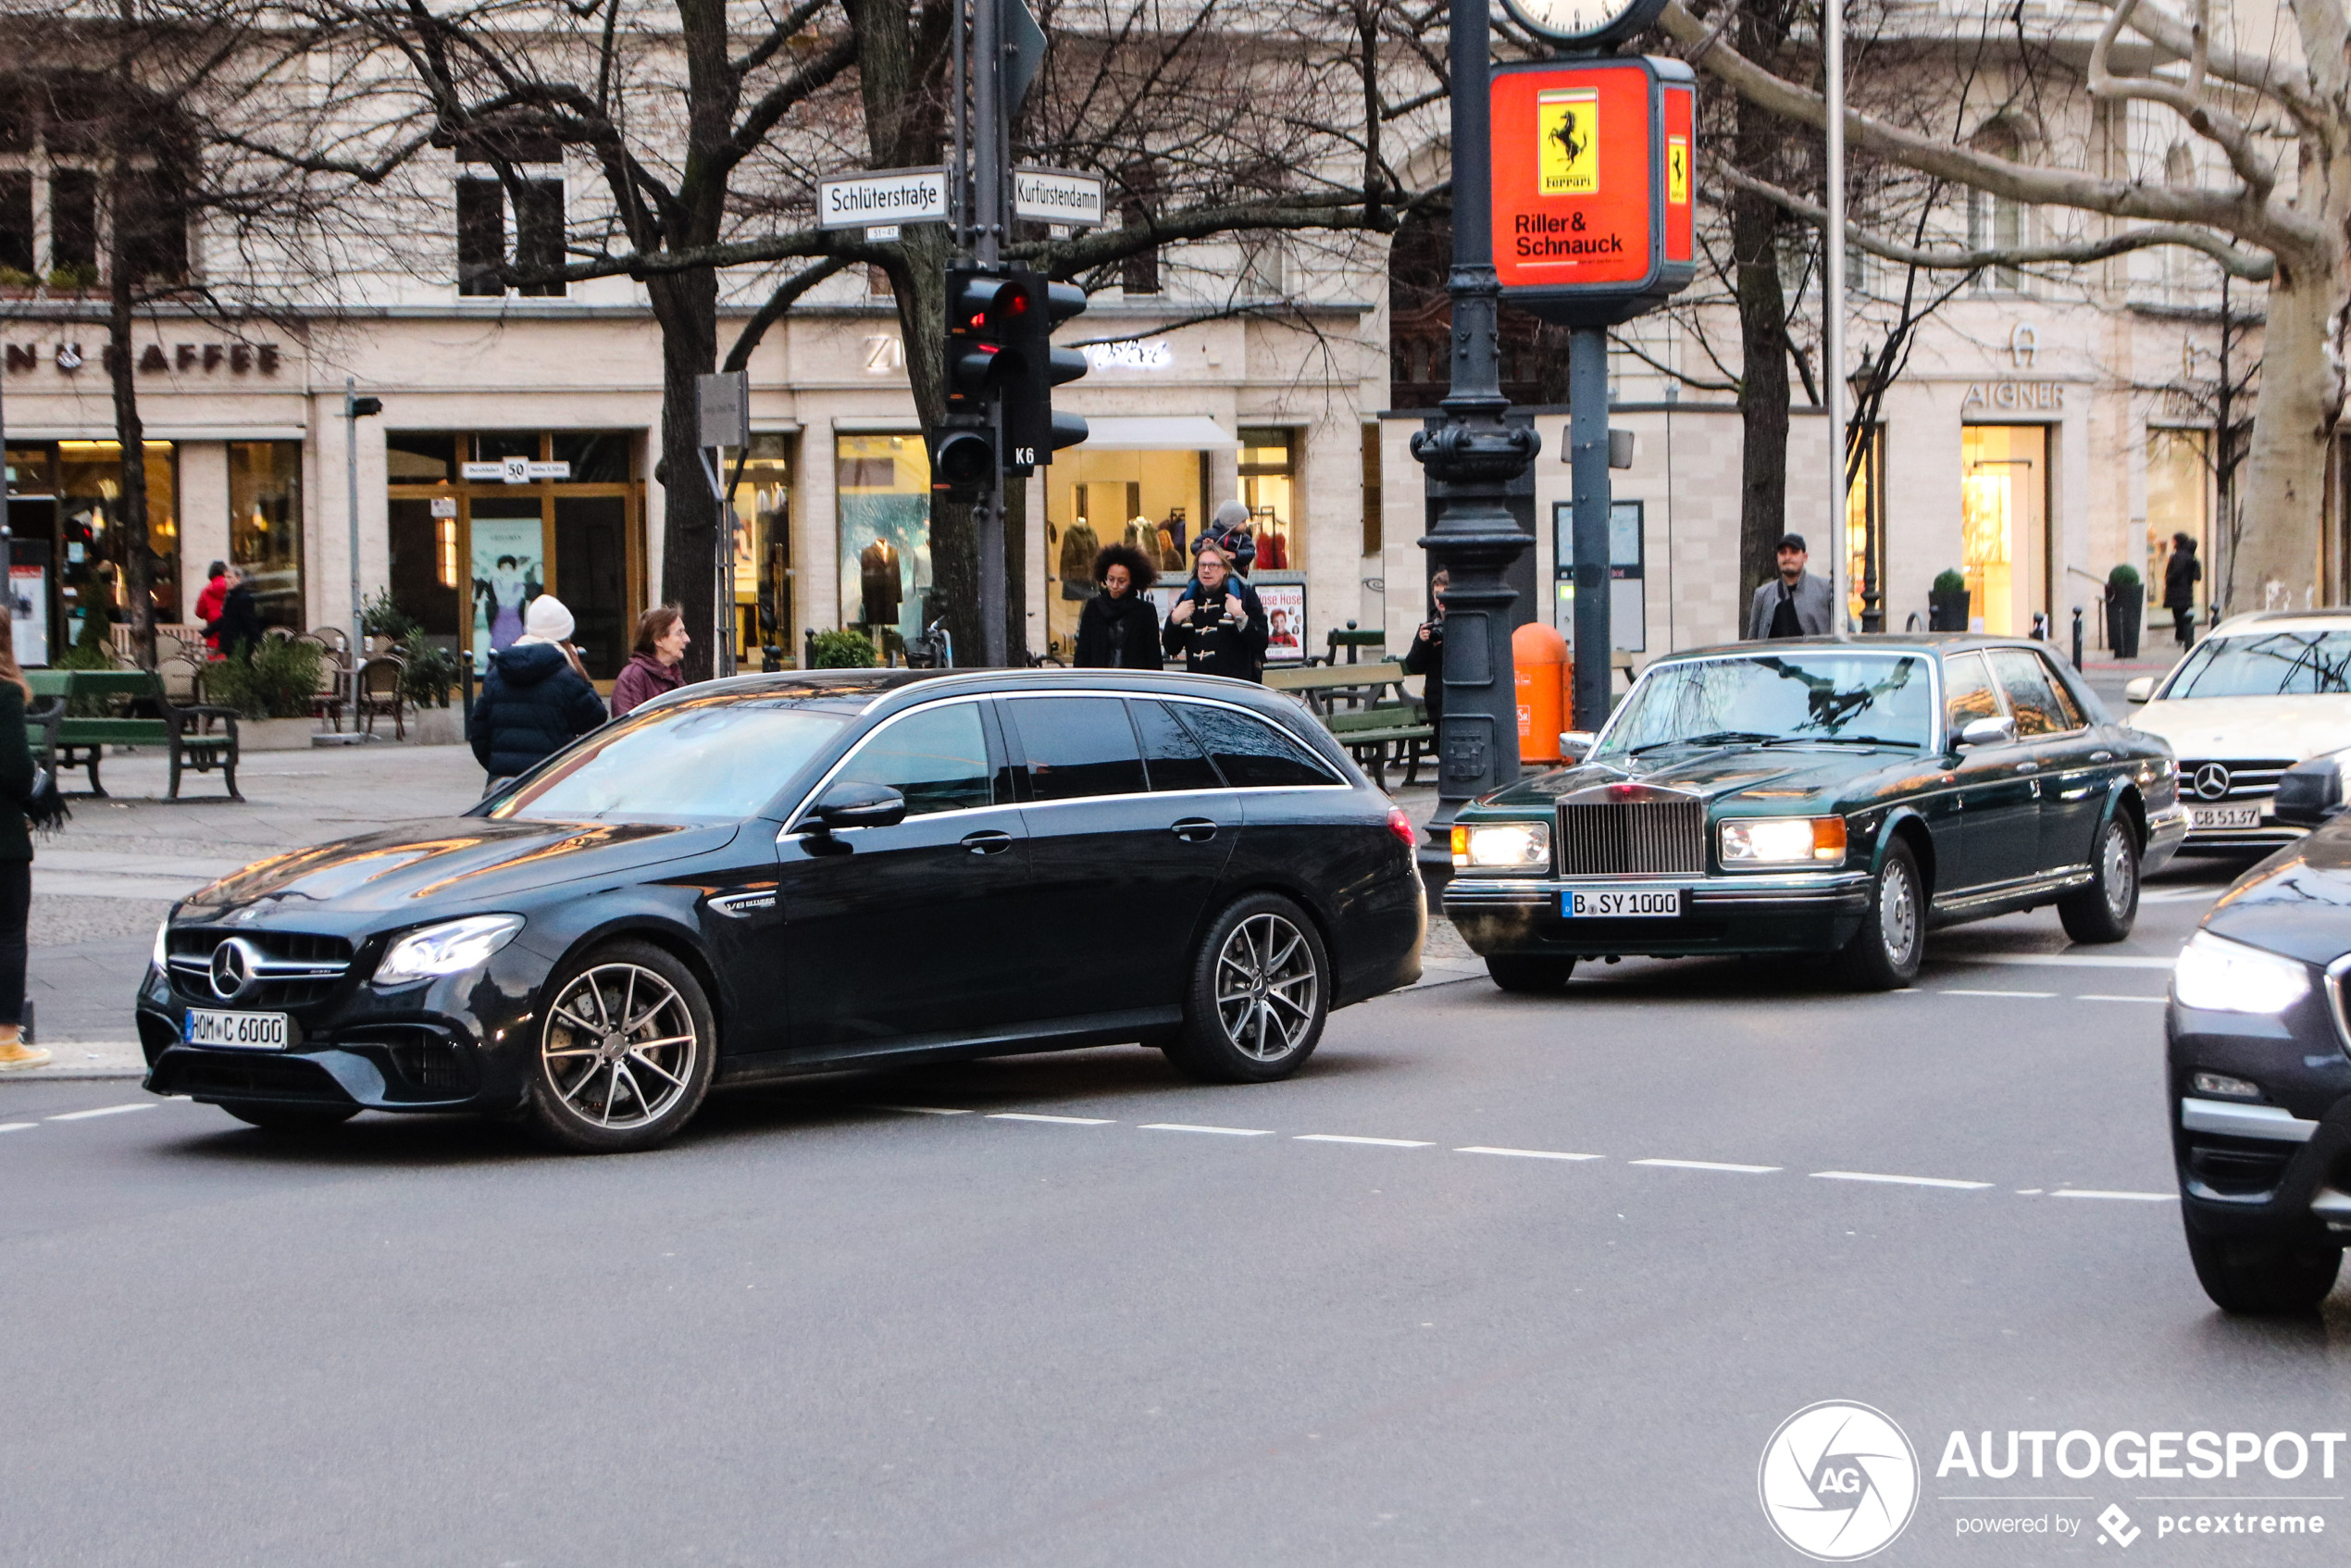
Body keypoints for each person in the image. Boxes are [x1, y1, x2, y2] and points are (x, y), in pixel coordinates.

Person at [468, 594, 607, 780]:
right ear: (565, 637)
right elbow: (596, 719)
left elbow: (478, 734)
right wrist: (581, 673)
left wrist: (499, 767)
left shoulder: (497, 675)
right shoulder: (566, 678)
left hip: (505, 786)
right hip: (552, 785)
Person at [0, 634, 44, 1069]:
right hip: (2, 838)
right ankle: (6, 1039)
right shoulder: (6, 691)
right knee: (9, 934)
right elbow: (14, 768)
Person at [1163, 542, 1268, 680]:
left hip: (1235, 688)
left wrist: (1240, 617)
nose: (1206, 570)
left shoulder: (1244, 596)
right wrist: (1174, 620)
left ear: (1225, 569)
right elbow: (1171, 648)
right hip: (1199, 687)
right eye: (1202, 565)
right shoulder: (1187, 599)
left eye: (1213, 565)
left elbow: (1261, 642)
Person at [1073, 544, 1163, 669]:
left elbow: (1154, 658)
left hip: (1133, 683)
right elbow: (1082, 653)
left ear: (1131, 581)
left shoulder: (1145, 611)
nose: (1115, 586)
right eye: (1110, 579)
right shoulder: (1093, 608)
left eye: (1121, 581)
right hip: (1098, 683)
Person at [1746, 531, 1834, 640]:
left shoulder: (1825, 589)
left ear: (1805, 557)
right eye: (1783, 553)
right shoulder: (1762, 594)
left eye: (1794, 552)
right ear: (1777, 557)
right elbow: (1753, 640)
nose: (1788, 557)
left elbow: (1848, 631)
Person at [612, 604, 691, 716]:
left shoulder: (673, 674)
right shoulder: (632, 677)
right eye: (680, 632)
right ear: (659, 639)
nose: (687, 639)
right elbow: (630, 728)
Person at [1401, 568, 1448, 731]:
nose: (1440, 599)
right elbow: (1413, 666)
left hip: (1457, 701)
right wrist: (1421, 642)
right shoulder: (1429, 626)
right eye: (1436, 594)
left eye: (1444, 594)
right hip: (1436, 704)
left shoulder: (1464, 624)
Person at [205, 566, 266, 658]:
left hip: (239, 644)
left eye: (229, 577)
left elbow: (250, 622)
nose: (226, 580)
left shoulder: (242, 597)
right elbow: (226, 618)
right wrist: (206, 632)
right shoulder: (231, 595)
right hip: (231, 644)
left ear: (238, 578)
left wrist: (258, 643)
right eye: (225, 577)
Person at [1189, 498, 1258, 579]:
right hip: (1210, 574)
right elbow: (1193, 546)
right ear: (1231, 521)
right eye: (1243, 521)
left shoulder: (1243, 538)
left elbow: (1250, 552)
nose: (1245, 525)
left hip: (1234, 574)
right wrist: (1203, 547)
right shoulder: (1209, 533)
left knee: (1233, 585)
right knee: (1193, 584)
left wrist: (1235, 555)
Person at [2165, 532, 2203, 647]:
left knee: (2178, 616)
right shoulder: (2191, 557)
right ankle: (2183, 637)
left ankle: (2181, 638)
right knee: (2183, 615)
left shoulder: (2178, 556)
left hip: (2177, 590)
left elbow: (2176, 572)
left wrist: (2169, 579)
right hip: (2186, 590)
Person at [193, 561, 229, 651]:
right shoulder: (232, 589)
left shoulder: (205, 591)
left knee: (214, 661)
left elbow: (199, 613)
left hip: (213, 636)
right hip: (231, 635)